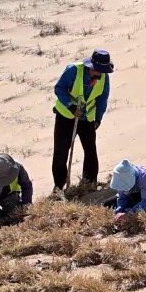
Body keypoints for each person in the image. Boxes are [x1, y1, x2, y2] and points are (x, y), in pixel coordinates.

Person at [51, 49, 114, 192]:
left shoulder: (104, 78)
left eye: (102, 71)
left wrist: (98, 118)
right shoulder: (73, 70)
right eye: (97, 70)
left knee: (90, 151)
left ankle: (89, 183)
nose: (99, 73)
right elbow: (59, 89)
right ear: (90, 66)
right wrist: (71, 107)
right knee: (61, 152)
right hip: (65, 117)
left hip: (87, 119)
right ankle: (59, 186)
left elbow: (102, 99)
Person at [105, 159, 146, 227]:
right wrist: (120, 211)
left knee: (136, 199)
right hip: (134, 195)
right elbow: (122, 197)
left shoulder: (145, 177)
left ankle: (132, 214)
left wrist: (128, 214)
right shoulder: (121, 176)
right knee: (108, 203)